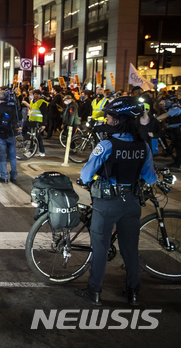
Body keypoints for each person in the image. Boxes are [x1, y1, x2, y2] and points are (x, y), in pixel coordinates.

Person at [76, 96, 157, 306]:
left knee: (100, 247)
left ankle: (94, 291)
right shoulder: (144, 146)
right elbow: (150, 178)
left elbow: (85, 175)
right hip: (132, 202)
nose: (108, 120)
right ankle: (133, 292)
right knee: (130, 249)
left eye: (111, 116)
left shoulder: (106, 145)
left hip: (107, 203)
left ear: (120, 119)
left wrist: (86, 178)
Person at [0, 90, 18, 183]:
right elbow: (19, 117)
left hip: (1, 135)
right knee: (13, 157)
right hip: (12, 134)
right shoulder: (13, 107)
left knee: (2, 157)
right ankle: (13, 176)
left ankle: (4, 176)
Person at [156, 95, 181, 169]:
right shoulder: (170, 109)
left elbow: (165, 115)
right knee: (160, 134)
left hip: (177, 130)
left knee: (178, 147)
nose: (165, 102)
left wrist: (154, 120)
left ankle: (177, 164)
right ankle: (167, 149)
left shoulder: (176, 109)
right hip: (172, 130)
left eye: (167, 100)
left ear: (172, 101)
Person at [22, 90, 48, 157]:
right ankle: (42, 151)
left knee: (34, 136)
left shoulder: (42, 102)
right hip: (32, 121)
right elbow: (32, 109)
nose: (35, 95)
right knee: (38, 137)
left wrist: (44, 124)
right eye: (34, 94)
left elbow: (45, 114)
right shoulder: (32, 101)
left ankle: (30, 151)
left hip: (39, 122)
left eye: (37, 94)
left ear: (40, 95)